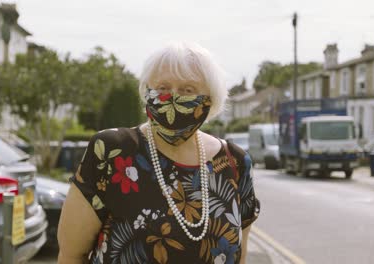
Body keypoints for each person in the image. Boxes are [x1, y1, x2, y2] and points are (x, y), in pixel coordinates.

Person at [57, 42, 260, 264]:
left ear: (210, 98)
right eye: (163, 88)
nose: (172, 97)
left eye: (188, 90)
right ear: (148, 91)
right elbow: (71, 254)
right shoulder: (111, 151)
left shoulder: (235, 162)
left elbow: (240, 256)